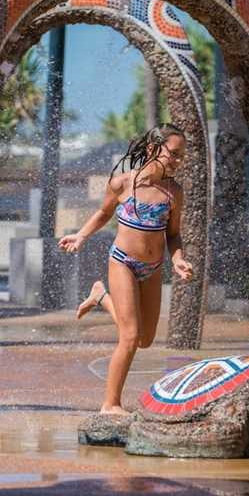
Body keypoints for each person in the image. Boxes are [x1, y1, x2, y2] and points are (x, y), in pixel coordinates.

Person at [59, 124, 193, 415]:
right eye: (173, 154)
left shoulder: (173, 192)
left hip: (154, 268)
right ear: (152, 150)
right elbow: (103, 213)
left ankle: (100, 297)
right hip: (122, 262)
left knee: (145, 340)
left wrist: (177, 259)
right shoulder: (122, 184)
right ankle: (111, 404)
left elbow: (173, 234)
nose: (177, 161)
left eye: (182, 156)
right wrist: (80, 235)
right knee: (130, 337)